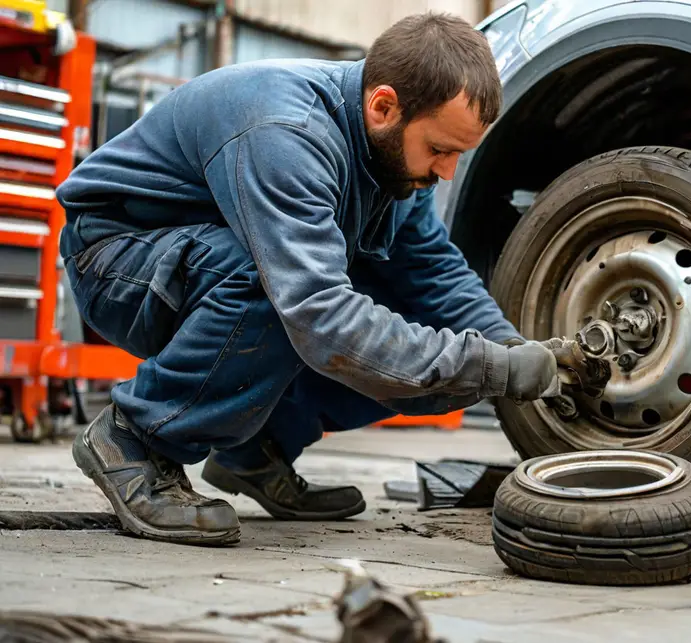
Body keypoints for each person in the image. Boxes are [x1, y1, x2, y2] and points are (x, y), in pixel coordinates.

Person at [57, 13, 561, 546]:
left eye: (458, 154)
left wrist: (506, 348)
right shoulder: (288, 132)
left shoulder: (393, 161)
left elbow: (433, 269)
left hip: (207, 260)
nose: (447, 171)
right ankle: (133, 440)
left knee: (423, 331)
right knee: (289, 290)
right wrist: (486, 365)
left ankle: (255, 449)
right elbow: (318, 313)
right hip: (118, 260)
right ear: (384, 107)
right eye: (439, 150)